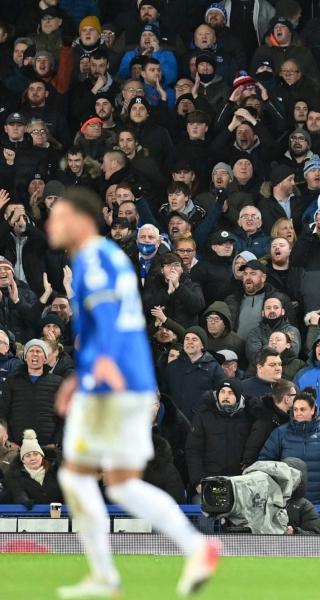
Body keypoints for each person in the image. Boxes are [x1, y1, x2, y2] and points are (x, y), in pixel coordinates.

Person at [45, 188, 218, 598]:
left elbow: (107, 324)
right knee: (119, 483)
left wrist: (93, 377)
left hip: (114, 383)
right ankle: (196, 547)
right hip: (130, 380)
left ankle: (106, 575)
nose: (52, 224)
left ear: (81, 220)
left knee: (76, 474)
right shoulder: (111, 259)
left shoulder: (93, 260)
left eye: (59, 216)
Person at [259, 392, 320, 505]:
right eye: (295, 409)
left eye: (302, 409)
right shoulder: (280, 433)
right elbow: (265, 461)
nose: (298, 413)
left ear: (312, 410)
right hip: (287, 503)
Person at [184, 379, 254, 499]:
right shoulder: (203, 416)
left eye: (230, 393)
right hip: (210, 481)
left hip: (240, 483)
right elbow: (193, 450)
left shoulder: (249, 416)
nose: (225, 396)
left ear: (238, 396)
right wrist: (197, 481)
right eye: (222, 392)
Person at [4, 429, 63, 508]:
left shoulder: (56, 470)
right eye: (28, 455)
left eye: (36, 454)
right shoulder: (15, 476)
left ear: (41, 456)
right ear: (23, 460)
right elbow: (18, 493)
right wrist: (24, 501)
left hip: (58, 515)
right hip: (31, 517)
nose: (32, 458)